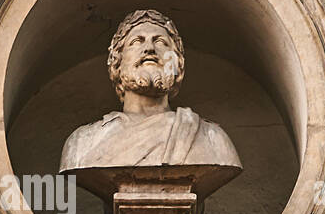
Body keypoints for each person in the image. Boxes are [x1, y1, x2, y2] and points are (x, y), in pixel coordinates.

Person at [59, 9, 242, 171]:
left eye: (160, 42)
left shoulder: (213, 140)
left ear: (178, 63)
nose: (149, 49)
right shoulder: (82, 144)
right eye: (137, 41)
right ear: (117, 62)